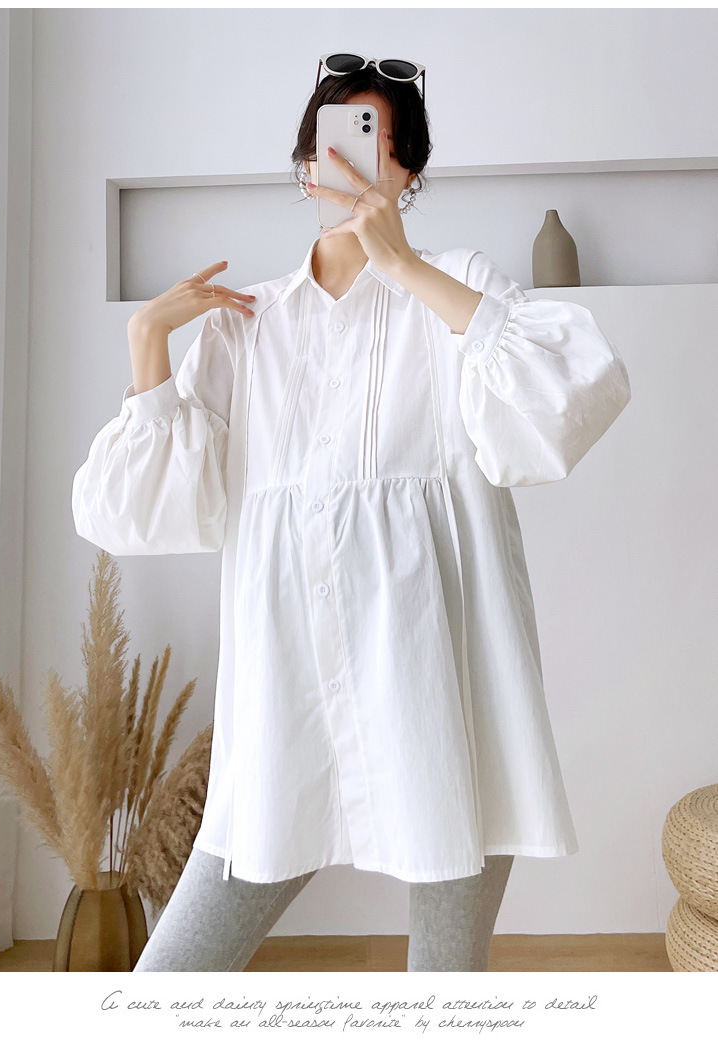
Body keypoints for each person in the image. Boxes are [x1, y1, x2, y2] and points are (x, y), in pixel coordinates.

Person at [71, 55, 631, 972]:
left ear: (409, 173)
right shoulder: (244, 325)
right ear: (306, 169)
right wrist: (146, 346)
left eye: (379, 147)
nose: (353, 167)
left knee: (443, 999)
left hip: (447, 708)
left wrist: (401, 265)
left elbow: (563, 407)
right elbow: (143, 515)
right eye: (335, 145)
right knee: (164, 990)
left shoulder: (457, 283)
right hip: (286, 708)